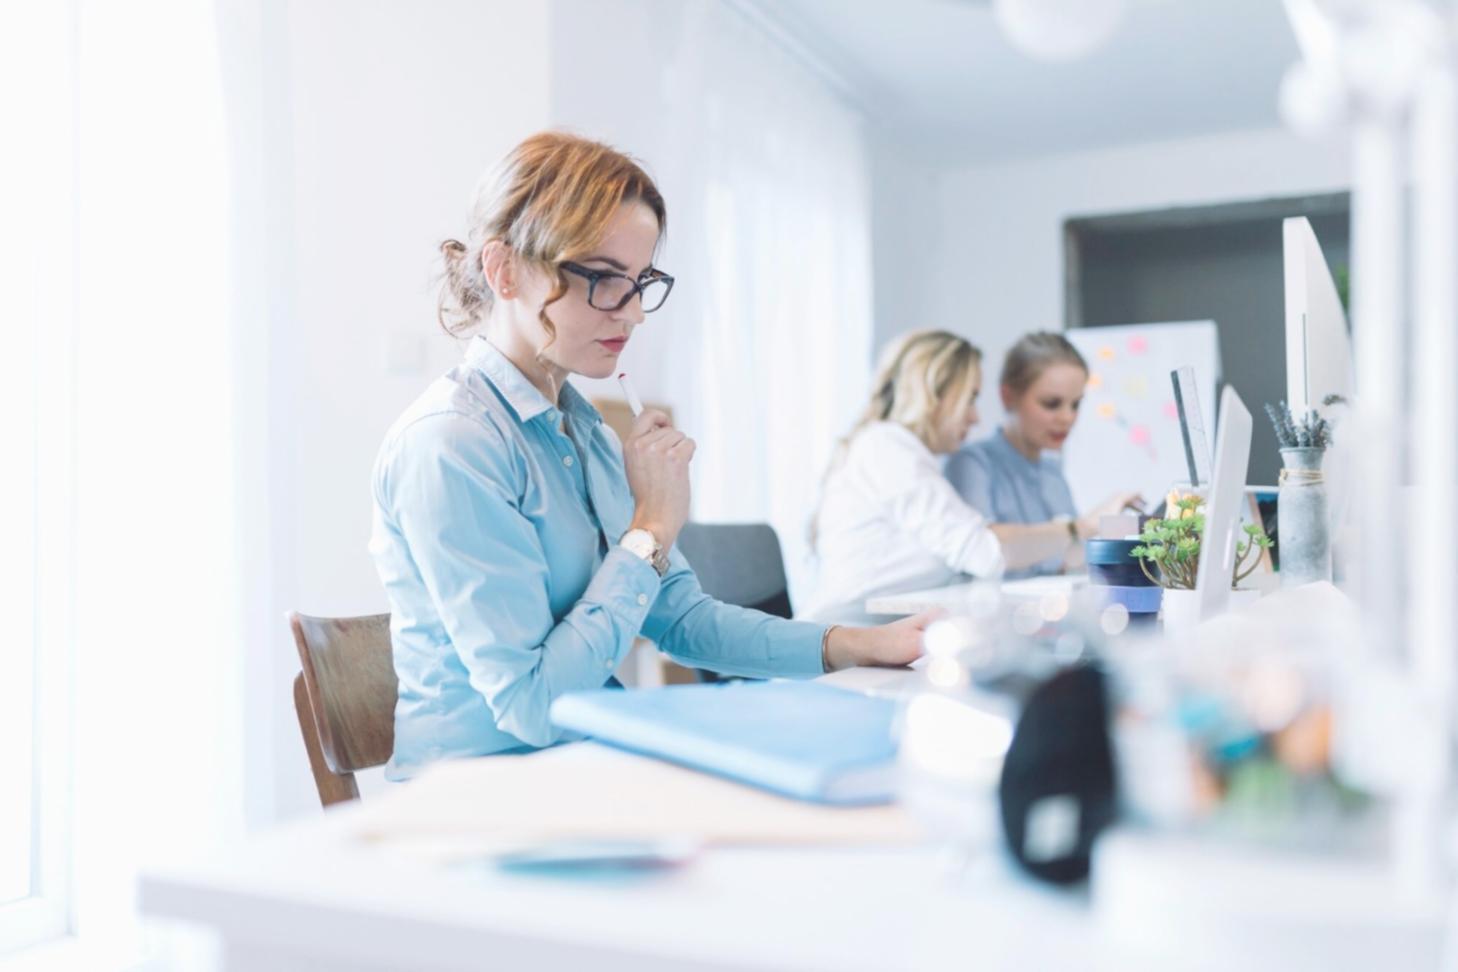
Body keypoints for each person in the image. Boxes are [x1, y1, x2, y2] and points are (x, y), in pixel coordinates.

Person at [369, 132, 932, 780]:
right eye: (605, 281)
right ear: (503, 271)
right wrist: (649, 532)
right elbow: (533, 707)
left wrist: (863, 645)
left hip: (583, 771)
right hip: (477, 800)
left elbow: (684, 620)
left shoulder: (582, 431)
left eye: (642, 284)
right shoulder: (452, 444)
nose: (633, 313)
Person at [807, 329, 1047, 624]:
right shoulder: (885, 447)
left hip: (879, 637)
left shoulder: (907, 455)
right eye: (970, 398)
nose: (975, 417)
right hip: (838, 646)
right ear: (933, 394)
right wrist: (1076, 531)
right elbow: (984, 553)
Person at [945, 332, 1142, 578]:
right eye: (1051, 403)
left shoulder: (1052, 473)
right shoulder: (971, 465)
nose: (1067, 418)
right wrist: (1085, 525)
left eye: (1075, 404)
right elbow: (981, 552)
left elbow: (1065, 561)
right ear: (1008, 397)